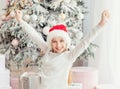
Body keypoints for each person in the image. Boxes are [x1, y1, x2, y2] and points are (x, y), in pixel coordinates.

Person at [15, 10, 109, 89]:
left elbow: (85, 42)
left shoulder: (69, 56)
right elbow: (34, 36)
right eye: (54, 41)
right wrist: (20, 21)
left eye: (61, 41)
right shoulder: (47, 50)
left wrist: (101, 24)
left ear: (66, 42)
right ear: (50, 43)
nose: (58, 45)